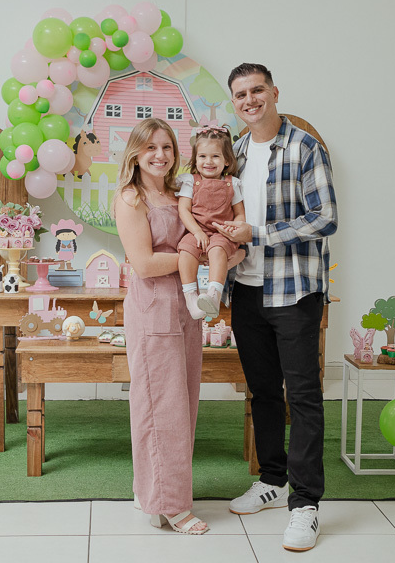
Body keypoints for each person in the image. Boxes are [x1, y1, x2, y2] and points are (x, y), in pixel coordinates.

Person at [214, 63, 338, 552]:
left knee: (303, 395)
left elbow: (325, 217)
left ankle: (305, 504)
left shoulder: (306, 148)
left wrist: (259, 235)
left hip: (294, 291)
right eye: (240, 94)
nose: (249, 100)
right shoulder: (236, 153)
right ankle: (272, 480)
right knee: (263, 392)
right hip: (246, 290)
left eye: (257, 90)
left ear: (274, 92)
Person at [113, 118, 242, 535]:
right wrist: (201, 258)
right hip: (153, 310)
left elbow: (216, 242)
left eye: (167, 147)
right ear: (135, 152)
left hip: (188, 309)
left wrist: (224, 253)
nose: (160, 155)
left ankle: (151, 493)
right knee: (159, 406)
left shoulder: (178, 195)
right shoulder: (131, 199)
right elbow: (145, 264)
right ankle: (172, 506)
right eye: (150, 147)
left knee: (183, 404)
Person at [176, 125, 245, 319]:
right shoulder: (191, 181)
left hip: (222, 233)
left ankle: (214, 294)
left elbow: (239, 213)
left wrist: (234, 228)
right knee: (186, 251)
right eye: (203, 156)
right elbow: (184, 210)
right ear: (195, 159)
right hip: (196, 230)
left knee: (218, 250)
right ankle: (191, 297)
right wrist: (197, 232)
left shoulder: (232, 183)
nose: (208, 161)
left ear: (226, 161)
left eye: (215, 156)